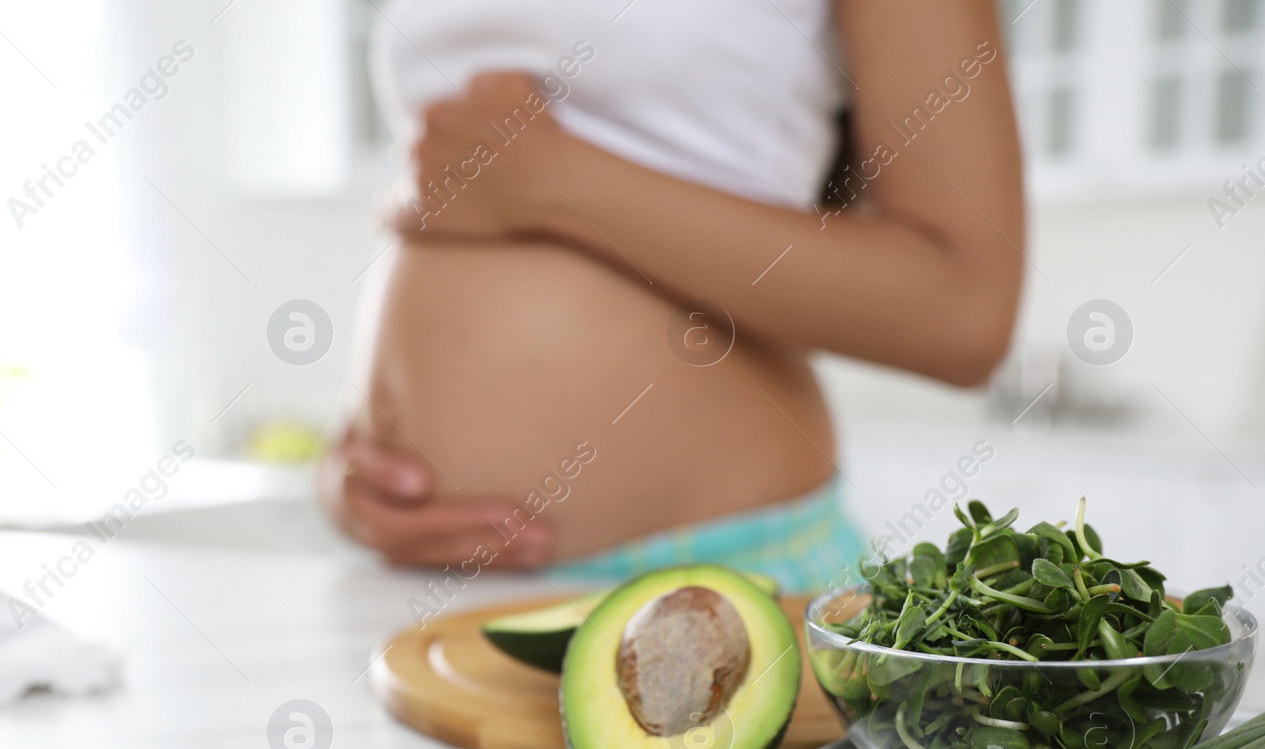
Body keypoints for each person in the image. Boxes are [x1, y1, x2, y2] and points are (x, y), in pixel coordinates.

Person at [320, 0, 1023, 592]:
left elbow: (964, 309)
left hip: (714, 577)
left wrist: (553, 181)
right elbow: (455, 179)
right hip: (426, 581)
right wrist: (365, 468)